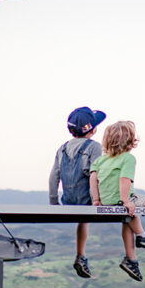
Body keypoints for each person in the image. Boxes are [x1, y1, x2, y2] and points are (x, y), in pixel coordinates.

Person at [89, 120, 145, 282]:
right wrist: (126, 201)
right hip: (122, 199)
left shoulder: (100, 160)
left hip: (105, 201)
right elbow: (124, 179)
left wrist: (97, 200)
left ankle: (132, 256)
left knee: (127, 219)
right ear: (130, 141)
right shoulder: (128, 158)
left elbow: (93, 179)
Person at [48, 106, 106, 278]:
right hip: (88, 199)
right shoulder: (94, 147)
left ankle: (81, 255)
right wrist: (98, 200)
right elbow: (97, 175)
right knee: (125, 208)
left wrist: (53, 202)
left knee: (83, 220)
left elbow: (53, 176)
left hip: (69, 200)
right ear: (93, 130)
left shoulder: (62, 148)